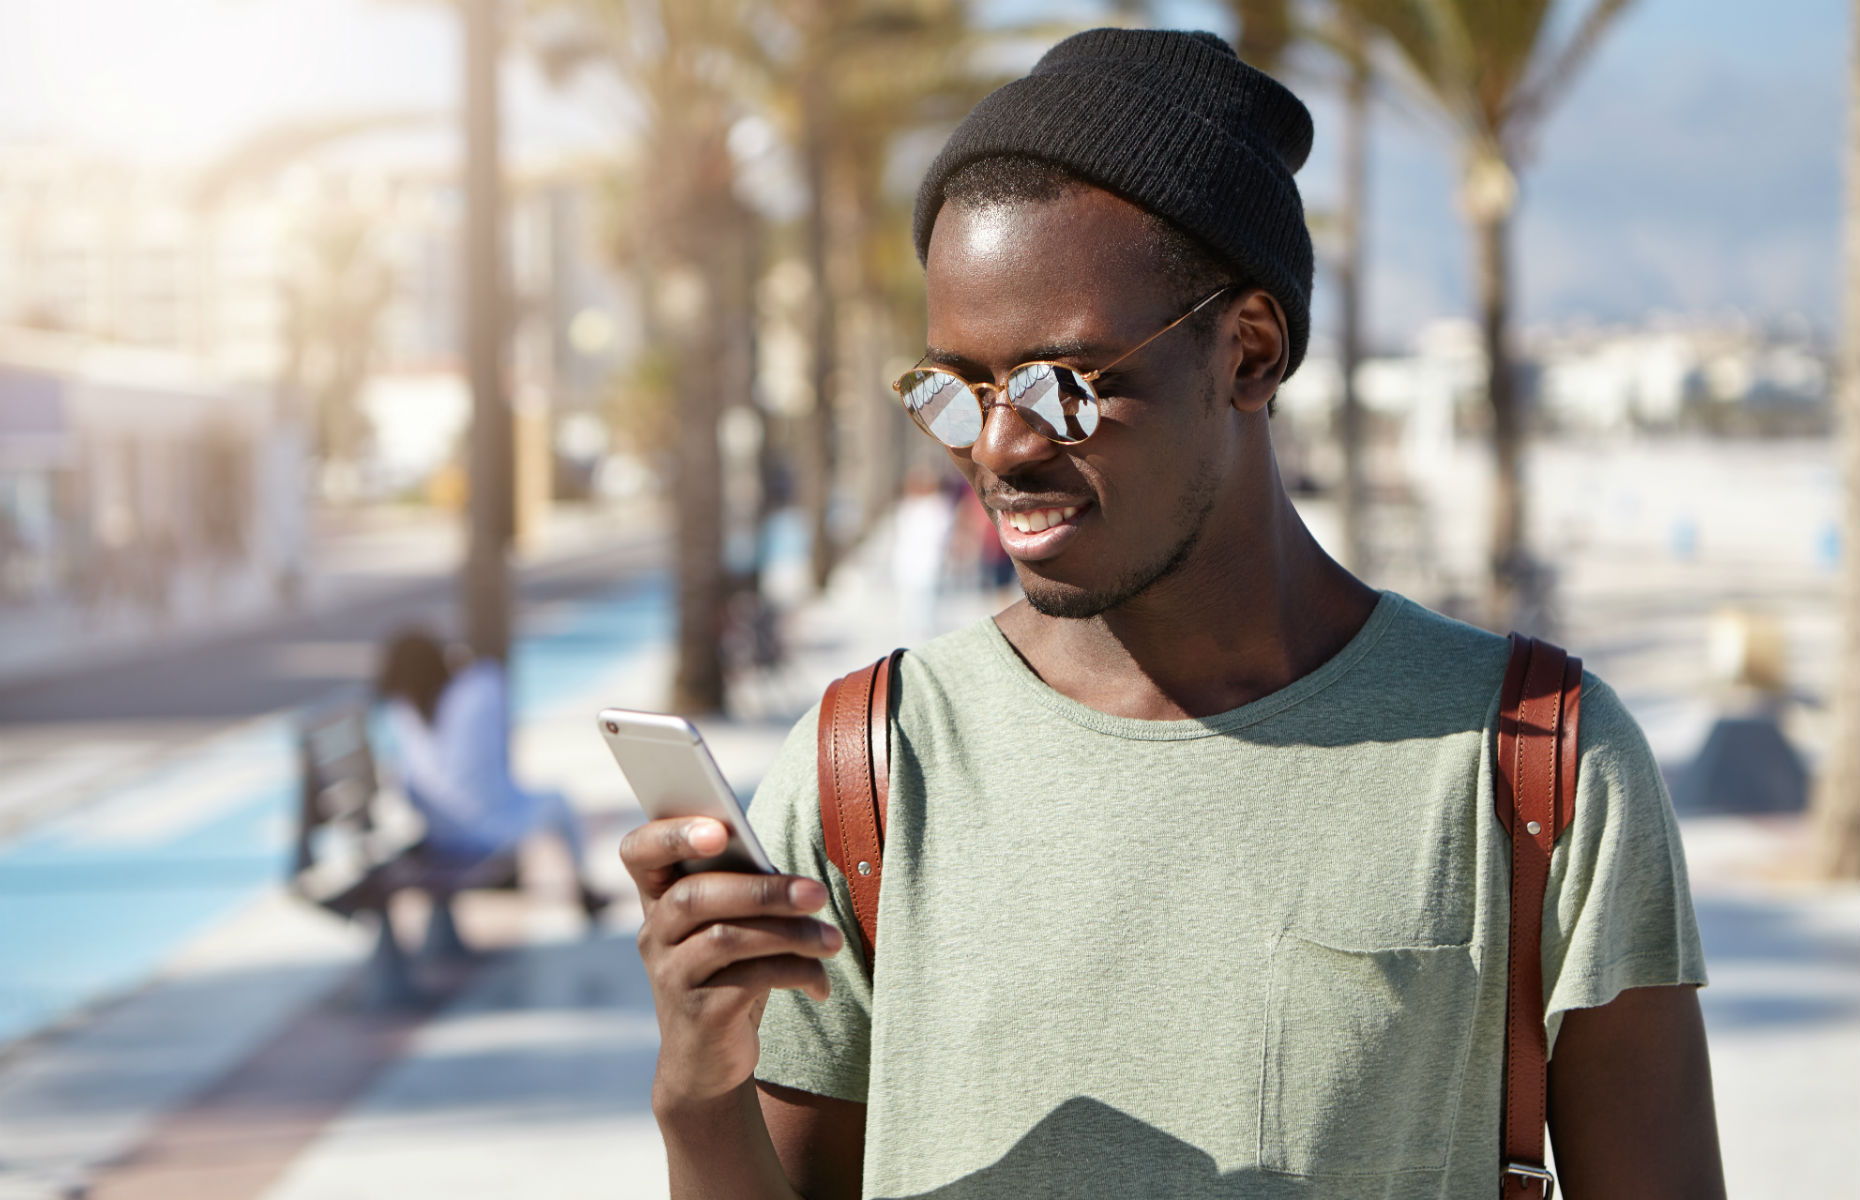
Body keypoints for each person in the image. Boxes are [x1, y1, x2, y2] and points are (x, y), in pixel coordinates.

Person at [621, 28, 1723, 1199]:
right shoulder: (871, 772)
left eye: (1063, 386)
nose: (1000, 448)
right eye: (962, 389)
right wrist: (697, 1095)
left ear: (1249, 351)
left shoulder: (1537, 764)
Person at [375, 628, 604, 919]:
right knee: (558, 801)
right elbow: (493, 682)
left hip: (439, 834)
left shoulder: (404, 710)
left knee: (539, 801)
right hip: (489, 830)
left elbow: (408, 788)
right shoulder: (477, 690)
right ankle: (583, 887)